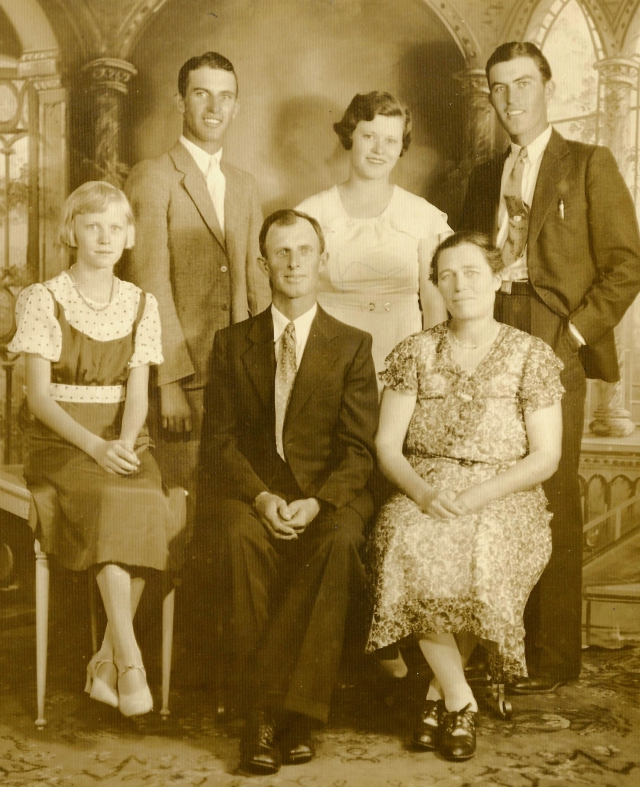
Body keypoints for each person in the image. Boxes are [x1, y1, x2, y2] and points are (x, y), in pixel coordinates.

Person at [459, 42, 640, 693]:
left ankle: (551, 653)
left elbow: (627, 268)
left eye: (523, 84)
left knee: (551, 494)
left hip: (553, 340)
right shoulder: (484, 176)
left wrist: (570, 334)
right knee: (487, 485)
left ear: (548, 87)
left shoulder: (588, 166)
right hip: (486, 339)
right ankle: (493, 642)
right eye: (499, 88)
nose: (511, 99)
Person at [366, 231, 563, 760]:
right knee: (410, 539)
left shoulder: (531, 355)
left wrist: (478, 496)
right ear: (435, 286)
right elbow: (387, 445)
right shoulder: (414, 351)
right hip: (426, 487)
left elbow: (545, 457)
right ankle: (460, 699)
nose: (459, 284)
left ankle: (437, 698)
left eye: (471, 272)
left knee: (483, 547)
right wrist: (424, 494)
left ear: (497, 279)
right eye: (446, 275)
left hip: (505, 491)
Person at [200, 209, 379, 775]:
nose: (294, 262)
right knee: (235, 538)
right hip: (255, 494)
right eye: (282, 252)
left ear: (322, 261)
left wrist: (320, 502)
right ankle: (264, 719)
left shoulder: (352, 345)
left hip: (327, 496)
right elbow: (220, 444)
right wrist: (259, 498)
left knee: (338, 542)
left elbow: (360, 451)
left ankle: (292, 713)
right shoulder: (232, 344)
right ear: (262, 265)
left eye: (304, 251)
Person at [9, 181, 181, 718]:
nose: (104, 238)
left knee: (148, 500)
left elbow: (137, 393)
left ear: (129, 237)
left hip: (121, 435)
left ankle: (104, 662)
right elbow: (38, 398)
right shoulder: (44, 298)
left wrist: (125, 443)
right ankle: (129, 661)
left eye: (115, 227)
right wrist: (94, 446)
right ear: (72, 232)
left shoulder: (141, 304)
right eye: (92, 226)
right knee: (111, 500)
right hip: (62, 439)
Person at [122, 51, 269, 516]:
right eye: (201, 94)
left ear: (236, 107)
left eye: (225, 97)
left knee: (233, 506)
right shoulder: (153, 176)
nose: (213, 107)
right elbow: (148, 286)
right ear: (180, 100)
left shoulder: (244, 184)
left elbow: (257, 281)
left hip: (240, 377)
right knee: (183, 508)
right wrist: (169, 382)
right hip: (185, 381)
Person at [297, 91, 450, 376]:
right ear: (350, 137)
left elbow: (433, 303)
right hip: (330, 357)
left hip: (402, 353)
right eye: (369, 136)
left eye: (390, 140)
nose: (379, 149)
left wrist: (432, 371)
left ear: (400, 146)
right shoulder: (312, 213)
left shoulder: (422, 215)